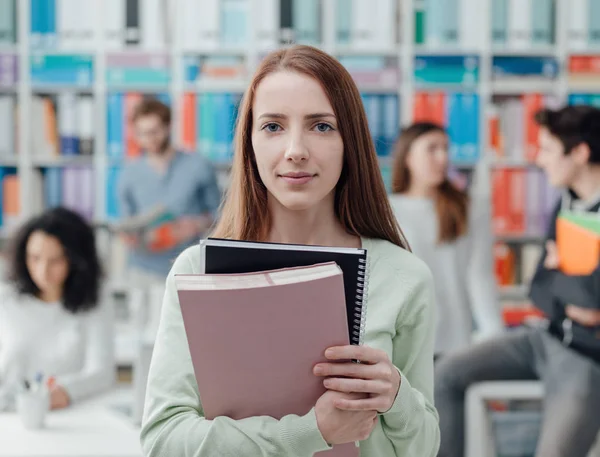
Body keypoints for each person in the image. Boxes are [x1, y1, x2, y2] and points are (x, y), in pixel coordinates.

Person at [140, 45, 440, 457]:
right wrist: (311, 431)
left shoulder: (405, 276)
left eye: (320, 126)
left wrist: (397, 395)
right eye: (273, 127)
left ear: (349, 141)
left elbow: (424, 448)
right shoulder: (197, 272)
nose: (295, 149)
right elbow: (162, 441)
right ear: (249, 143)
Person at [435, 105, 600, 457]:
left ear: (581, 153)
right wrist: (574, 287)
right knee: (445, 374)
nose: (540, 160)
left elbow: (591, 300)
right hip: (544, 337)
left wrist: (569, 281)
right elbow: (538, 288)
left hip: (587, 356)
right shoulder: (566, 204)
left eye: (548, 150)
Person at [389, 122, 504, 356]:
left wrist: (495, 339)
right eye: (432, 149)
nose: (442, 158)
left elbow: (480, 275)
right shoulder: (386, 210)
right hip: (403, 341)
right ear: (408, 156)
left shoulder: (469, 207)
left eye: (445, 149)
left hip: (455, 342)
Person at [0, 207, 114, 411]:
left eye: (55, 260)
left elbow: (102, 373)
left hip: (68, 415)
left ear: (76, 261)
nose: (42, 271)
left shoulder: (94, 302)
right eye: (34, 258)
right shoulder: (6, 298)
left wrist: (64, 392)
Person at [118, 98, 222, 283]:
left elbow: (221, 215)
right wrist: (129, 236)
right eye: (141, 133)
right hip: (142, 270)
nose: (148, 139)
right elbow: (127, 221)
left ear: (168, 127)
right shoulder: (129, 173)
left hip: (187, 268)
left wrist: (196, 225)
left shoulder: (198, 165)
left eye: (154, 131)